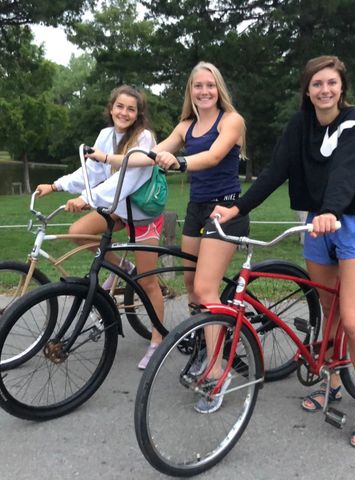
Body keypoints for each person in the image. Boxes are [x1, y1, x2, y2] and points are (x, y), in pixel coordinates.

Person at [212, 55, 355, 448]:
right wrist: (237, 207)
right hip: (316, 225)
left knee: (354, 320)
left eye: (331, 83)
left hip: (354, 224)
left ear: (342, 87)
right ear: (307, 90)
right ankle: (334, 382)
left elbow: (346, 171)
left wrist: (329, 211)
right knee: (329, 311)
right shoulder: (299, 125)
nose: (324, 90)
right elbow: (275, 171)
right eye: (316, 84)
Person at [35, 85, 165, 369]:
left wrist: (87, 198)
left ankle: (158, 340)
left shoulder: (145, 138)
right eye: (120, 106)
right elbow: (91, 171)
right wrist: (56, 185)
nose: (124, 112)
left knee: (148, 282)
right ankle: (122, 267)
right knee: (78, 233)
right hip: (117, 207)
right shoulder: (106, 135)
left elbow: (126, 181)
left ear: (138, 113)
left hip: (142, 213)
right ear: (111, 108)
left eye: (131, 108)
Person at [148, 61, 250, 414]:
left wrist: (179, 162)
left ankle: (218, 370)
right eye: (197, 86)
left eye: (209, 85)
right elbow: (154, 152)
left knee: (206, 289)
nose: (203, 91)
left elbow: (214, 155)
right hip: (197, 209)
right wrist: (108, 159)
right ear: (190, 92)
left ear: (218, 88)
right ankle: (210, 344)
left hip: (227, 209)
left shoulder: (231, 120)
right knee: (192, 286)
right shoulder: (186, 125)